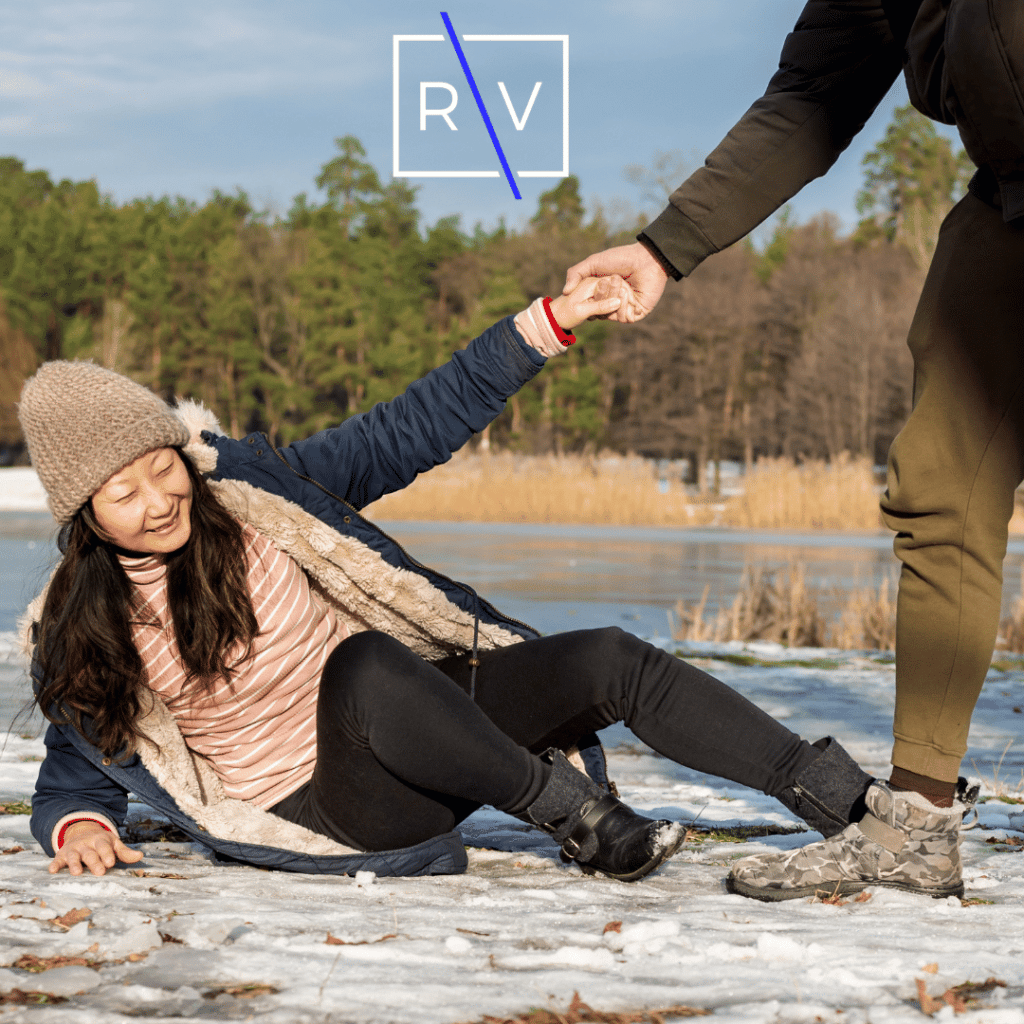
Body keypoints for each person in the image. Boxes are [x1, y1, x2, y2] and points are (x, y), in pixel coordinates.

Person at [17, 271, 878, 887]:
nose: (156, 501)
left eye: (161, 468)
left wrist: (547, 323)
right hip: (333, 806)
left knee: (607, 657)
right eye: (120, 493)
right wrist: (81, 820)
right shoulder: (85, 625)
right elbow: (83, 759)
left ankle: (847, 802)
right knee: (361, 667)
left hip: (428, 734)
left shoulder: (260, 496)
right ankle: (576, 817)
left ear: (183, 451)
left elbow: (408, 429)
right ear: (82, 516)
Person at [563, 0, 1019, 900]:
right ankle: (917, 827)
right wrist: (666, 247)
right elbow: (814, 94)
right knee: (939, 479)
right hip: (1012, 200)